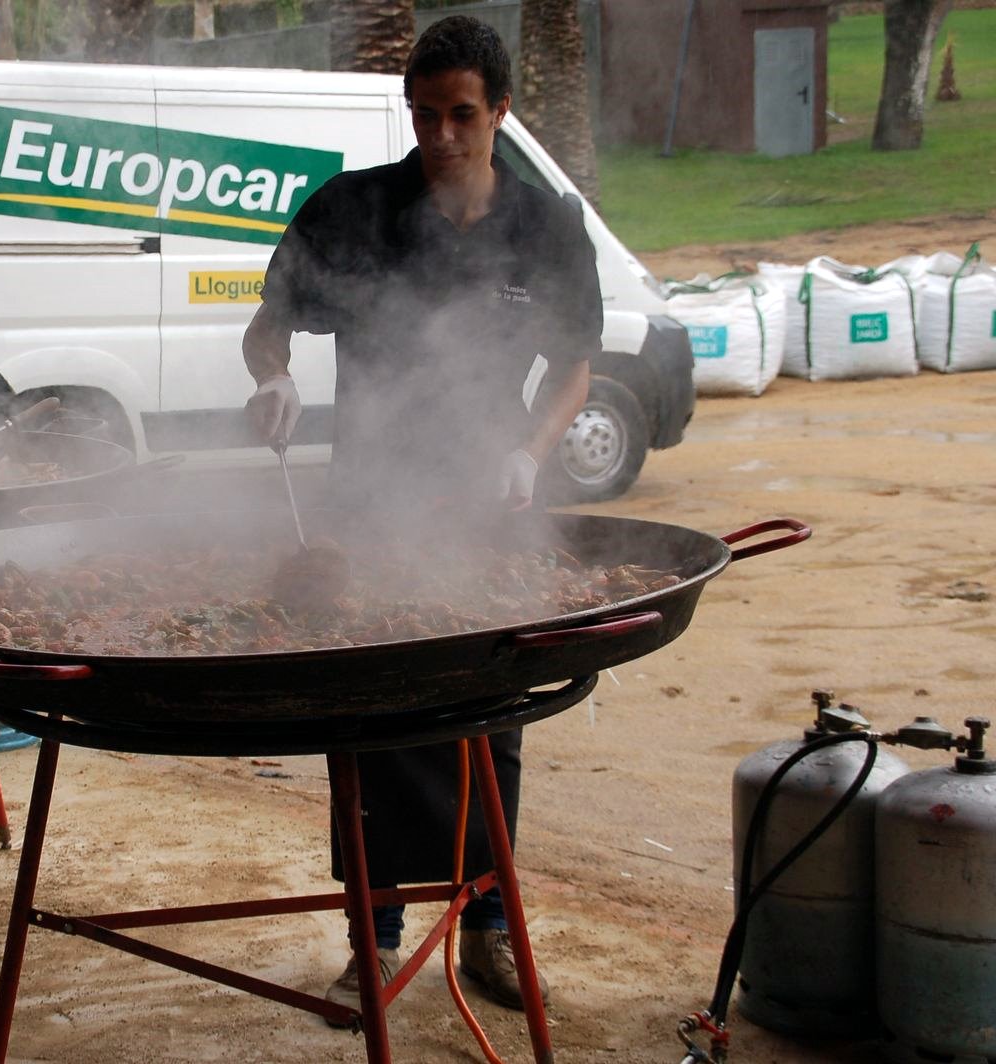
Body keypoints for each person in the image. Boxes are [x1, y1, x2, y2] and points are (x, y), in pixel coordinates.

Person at [241, 15, 601, 1016]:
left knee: (492, 714)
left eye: (461, 115)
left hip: (491, 500)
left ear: (500, 111)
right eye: (424, 114)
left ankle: (488, 927)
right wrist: (272, 383)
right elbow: (264, 329)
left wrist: (528, 454)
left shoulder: (546, 227)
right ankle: (376, 937)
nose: (441, 136)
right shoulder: (353, 210)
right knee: (366, 715)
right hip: (365, 502)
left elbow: (574, 366)